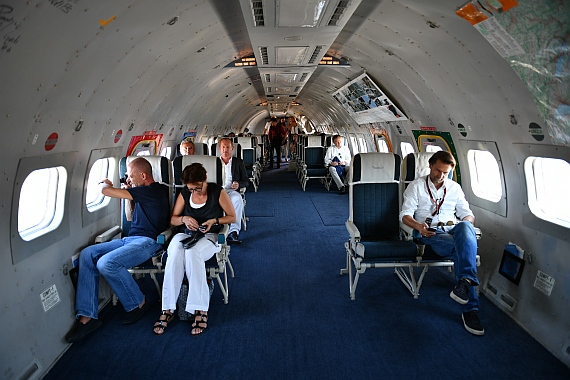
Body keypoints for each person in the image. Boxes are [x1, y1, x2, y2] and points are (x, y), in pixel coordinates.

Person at [65, 157, 170, 343]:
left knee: (107, 263)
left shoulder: (154, 190)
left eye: (130, 175)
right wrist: (130, 190)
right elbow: (132, 212)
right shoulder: (142, 193)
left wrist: (104, 185)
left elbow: (107, 192)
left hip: (149, 242)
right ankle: (87, 316)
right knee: (88, 254)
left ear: (143, 175)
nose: (128, 178)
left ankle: (138, 302)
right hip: (129, 240)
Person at [400, 150, 483, 336]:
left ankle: (464, 281)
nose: (441, 176)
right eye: (438, 171)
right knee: (465, 251)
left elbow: (467, 214)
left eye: (445, 172)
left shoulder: (454, 188)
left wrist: (467, 225)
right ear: (430, 165)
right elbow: (404, 215)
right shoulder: (416, 186)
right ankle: (471, 310)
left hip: (452, 229)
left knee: (466, 227)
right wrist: (418, 226)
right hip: (428, 232)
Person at [153, 163, 236, 336]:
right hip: (187, 235)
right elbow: (173, 220)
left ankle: (200, 309)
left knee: (192, 252)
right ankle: (168, 308)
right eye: (191, 189)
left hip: (209, 237)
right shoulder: (185, 194)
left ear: (205, 179)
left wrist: (214, 221)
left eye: (197, 188)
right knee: (174, 251)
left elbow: (231, 217)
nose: (194, 192)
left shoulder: (217, 192)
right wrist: (184, 219)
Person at [218, 137, 249, 244]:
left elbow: (246, 181)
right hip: (217, 191)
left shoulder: (238, 162)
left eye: (227, 147)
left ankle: (233, 232)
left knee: (237, 199)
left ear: (232, 148)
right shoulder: (214, 162)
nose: (225, 150)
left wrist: (238, 184)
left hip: (231, 191)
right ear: (219, 148)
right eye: (223, 147)